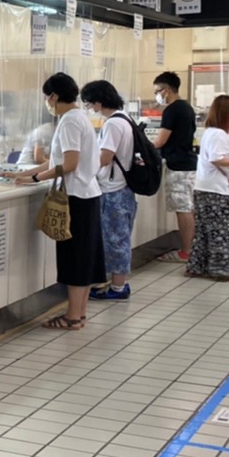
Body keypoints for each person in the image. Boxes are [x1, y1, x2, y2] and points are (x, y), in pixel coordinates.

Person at [16, 72, 104, 331]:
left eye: (47, 97)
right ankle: (80, 314)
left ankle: (72, 317)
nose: (47, 102)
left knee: (75, 258)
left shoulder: (68, 122)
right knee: (85, 257)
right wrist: (22, 173)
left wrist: (36, 177)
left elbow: (68, 164)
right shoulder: (80, 118)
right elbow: (59, 160)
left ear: (53, 96)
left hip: (75, 197)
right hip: (88, 194)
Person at [188, 95, 229, 283]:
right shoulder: (218, 134)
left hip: (204, 188)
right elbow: (217, 158)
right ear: (228, 114)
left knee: (204, 231)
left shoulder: (211, 132)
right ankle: (221, 269)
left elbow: (218, 154)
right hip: (214, 190)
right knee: (225, 230)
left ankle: (198, 266)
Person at [82, 80, 136, 301]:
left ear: (98, 101)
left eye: (90, 103)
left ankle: (118, 287)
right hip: (124, 188)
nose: (90, 108)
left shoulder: (113, 124)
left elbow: (105, 157)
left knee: (115, 239)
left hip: (113, 189)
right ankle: (115, 283)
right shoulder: (126, 119)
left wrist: (83, 165)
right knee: (118, 237)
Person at [153, 72, 197, 263]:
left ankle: (186, 251)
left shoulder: (171, 110)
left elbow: (160, 140)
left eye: (157, 91)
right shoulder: (187, 107)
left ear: (167, 90)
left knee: (183, 209)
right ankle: (191, 249)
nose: (156, 95)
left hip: (177, 165)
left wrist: (142, 145)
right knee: (188, 207)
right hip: (188, 163)